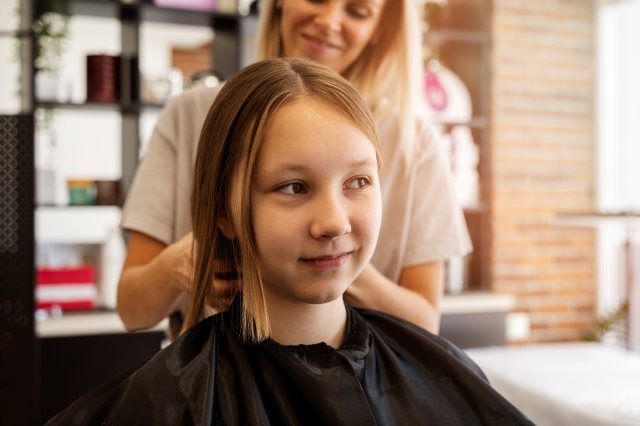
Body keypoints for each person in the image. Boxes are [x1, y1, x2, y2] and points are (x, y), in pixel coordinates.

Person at [47, 58, 530, 425]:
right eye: (293, 188)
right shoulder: (173, 397)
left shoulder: (441, 371)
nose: (333, 222)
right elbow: (134, 305)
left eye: (358, 182)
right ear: (225, 214)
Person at [117, 0, 471, 335]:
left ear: (380, 27)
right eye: (293, 186)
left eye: (358, 11)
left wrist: (339, 259)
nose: (330, 22)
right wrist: (188, 261)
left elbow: (425, 325)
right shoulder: (190, 116)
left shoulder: (414, 142)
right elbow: (132, 309)